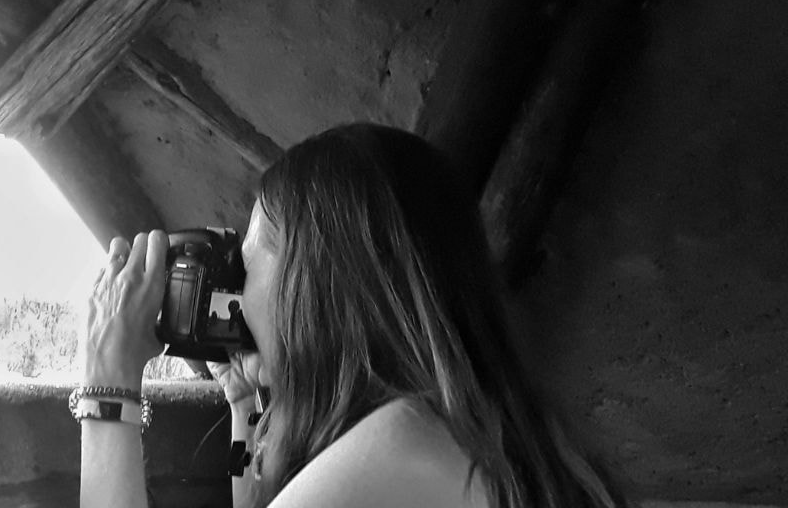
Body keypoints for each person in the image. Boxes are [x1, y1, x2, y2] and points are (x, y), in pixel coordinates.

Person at [76, 123, 627, 508]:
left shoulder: (404, 445)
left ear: (313, 285)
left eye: (248, 265)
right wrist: (246, 404)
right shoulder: (476, 435)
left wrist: (107, 389)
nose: (238, 296)